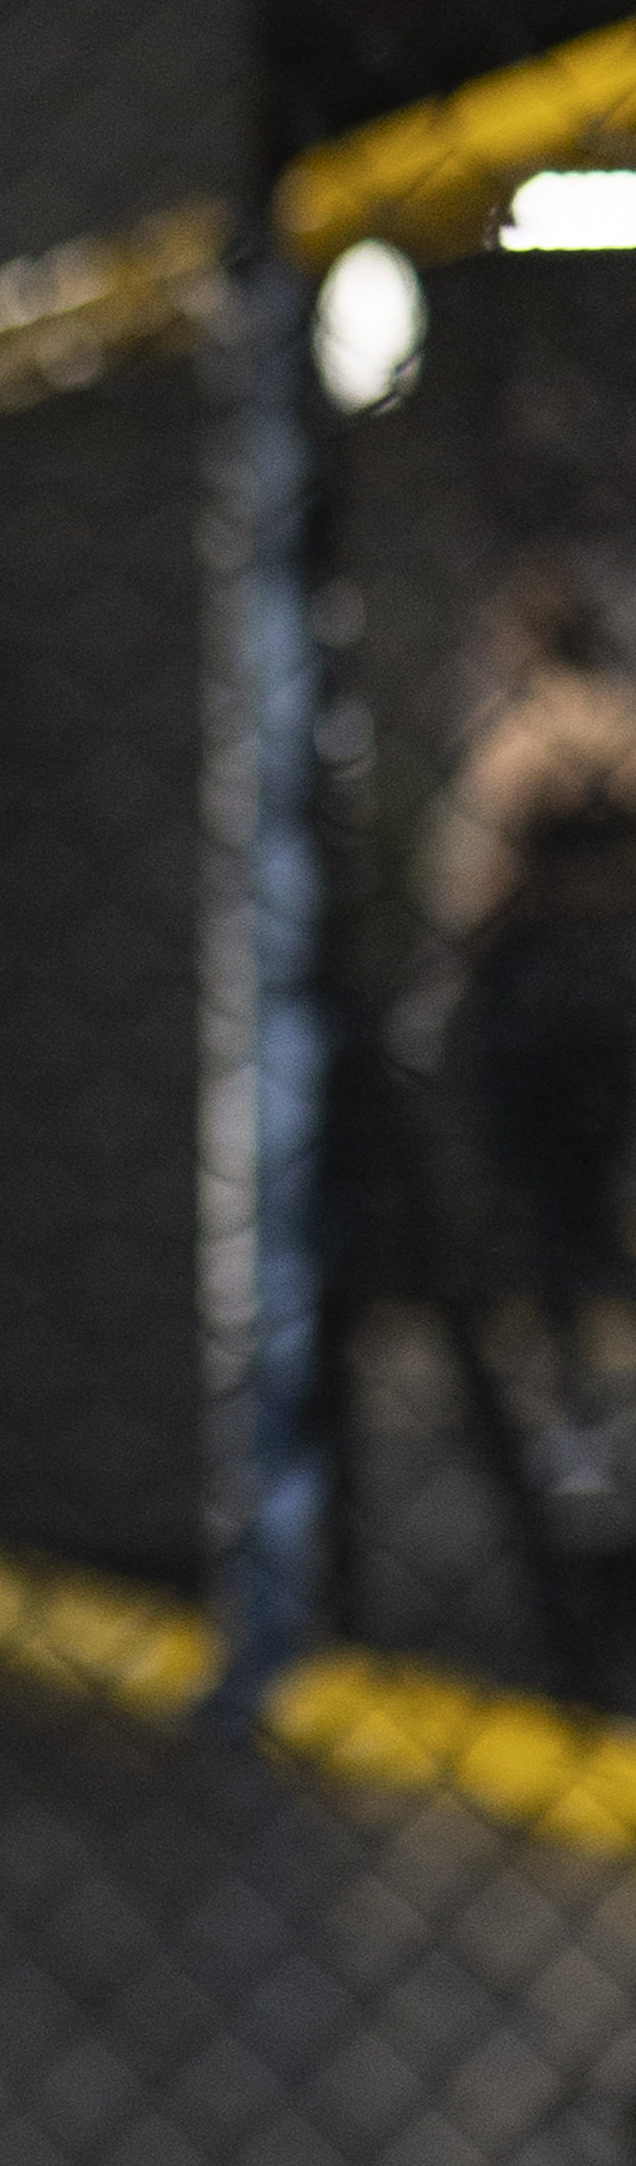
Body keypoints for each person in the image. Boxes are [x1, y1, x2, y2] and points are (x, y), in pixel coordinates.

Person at [418, 557, 636, 1501]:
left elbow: (473, 880)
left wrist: (438, 975)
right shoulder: (623, 723)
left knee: (549, 1205)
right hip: (622, 973)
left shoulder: (518, 737)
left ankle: (577, 1418)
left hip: (541, 987)